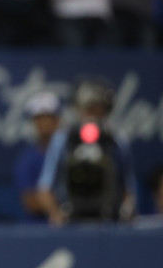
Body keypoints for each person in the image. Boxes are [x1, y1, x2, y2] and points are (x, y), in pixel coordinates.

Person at [37, 77, 137, 226]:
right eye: (89, 108)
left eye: (98, 108)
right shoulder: (63, 139)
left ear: (106, 110)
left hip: (109, 221)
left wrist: (127, 214)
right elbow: (45, 187)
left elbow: (128, 188)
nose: (93, 114)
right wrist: (56, 214)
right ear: (78, 109)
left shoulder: (116, 139)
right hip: (70, 220)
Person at [13, 91, 62, 223]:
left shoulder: (69, 153)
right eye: (40, 118)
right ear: (34, 122)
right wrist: (60, 208)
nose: (44, 123)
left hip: (75, 225)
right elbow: (30, 202)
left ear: (57, 120)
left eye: (48, 117)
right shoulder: (27, 159)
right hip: (38, 229)